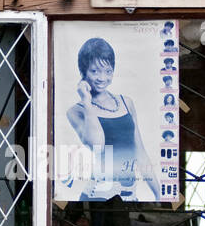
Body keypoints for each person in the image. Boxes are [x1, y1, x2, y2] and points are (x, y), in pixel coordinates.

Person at [66, 37, 156, 200]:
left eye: (108, 71)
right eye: (94, 71)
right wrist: (86, 100)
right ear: (83, 72)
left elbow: (140, 152)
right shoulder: (76, 111)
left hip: (129, 194)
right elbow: (97, 144)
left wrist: (159, 194)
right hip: (98, 195)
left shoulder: (126, 102)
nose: (102, 77)